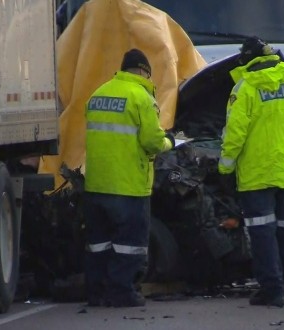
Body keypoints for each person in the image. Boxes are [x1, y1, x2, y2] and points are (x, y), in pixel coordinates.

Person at [218, 37, 284, 307]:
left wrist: (225, 169)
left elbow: (234, 135)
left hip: (257, 175)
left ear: (247, 60)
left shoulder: (246, 87)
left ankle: (272, 291)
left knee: (263, 235)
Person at [83, 48, 174, 307]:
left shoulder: (98, 94)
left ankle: (96, 292)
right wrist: (170, 141)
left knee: (98, 243)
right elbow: (152, 142)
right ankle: (122, 292)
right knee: (129, 244)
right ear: (145, 72)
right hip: (129, 186)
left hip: (97, 184)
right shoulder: (141, 97)